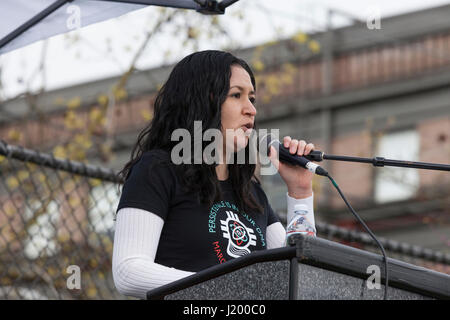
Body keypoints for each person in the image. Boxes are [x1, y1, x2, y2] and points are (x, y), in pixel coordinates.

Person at [112, 50, 316, 299]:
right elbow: (128, 272)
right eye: (236, 95)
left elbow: (300, 278)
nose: (251, 109)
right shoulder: (158, 170)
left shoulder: (251, 193)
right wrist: (230, 288)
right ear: (203, 101)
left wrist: (300, 192)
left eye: (252, 98)